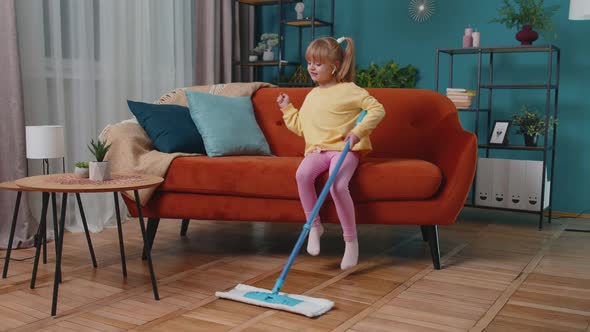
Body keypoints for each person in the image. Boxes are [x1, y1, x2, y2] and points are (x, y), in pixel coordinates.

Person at [276, 36, 385, 270]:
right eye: (309, 62)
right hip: (318, 150)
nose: (311, 68)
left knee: (337, 185)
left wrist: (358, 131)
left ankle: (351, 242)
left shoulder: (349, 90)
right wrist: (287, 109)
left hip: (344, 150)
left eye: (318, 63)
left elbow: (377, 109)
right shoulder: (312, 95)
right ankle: (314, 225)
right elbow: (301, 126)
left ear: (334, 65)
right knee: (302, 175)